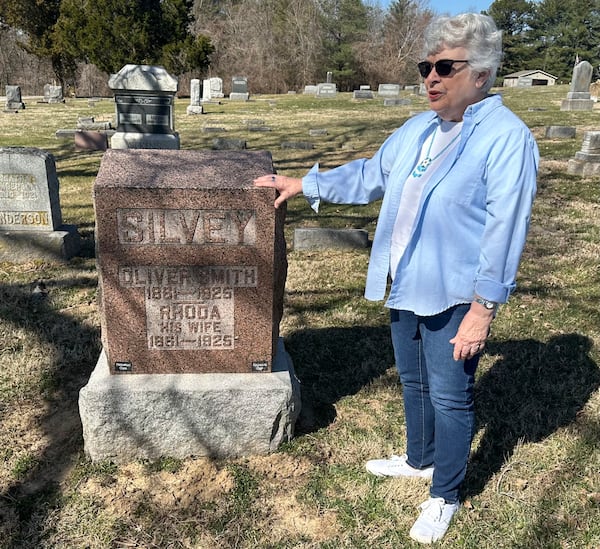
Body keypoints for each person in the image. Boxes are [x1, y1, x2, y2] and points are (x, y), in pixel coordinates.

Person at [254, 13, 538, 545]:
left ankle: (446, 493)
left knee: (452, 397)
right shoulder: (417, 130)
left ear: (480, 74)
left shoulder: (507, 139)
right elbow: (369, 175)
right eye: (425, 66)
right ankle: (420, 459)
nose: (430, 77)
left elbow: (506, 228)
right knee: (413, 380)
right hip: (404, 280)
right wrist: (305, 183)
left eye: (444, 66)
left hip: (456, 293)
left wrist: (483, 308)